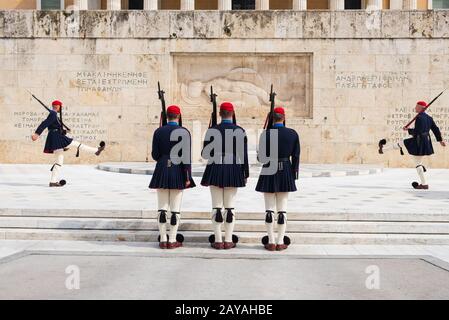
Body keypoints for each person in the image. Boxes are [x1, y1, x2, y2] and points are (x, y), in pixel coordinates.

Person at [201, 102, 249, 250]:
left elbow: (205, 154)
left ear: (220, 114)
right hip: (233, 168)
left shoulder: (212, 130)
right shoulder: (240, 131)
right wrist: (245, 172)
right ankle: (228, 240)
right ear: (233, 113)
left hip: (215, 167)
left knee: (216, 207)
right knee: (230, 208)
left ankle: (217, 240)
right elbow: (243, 155)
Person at [149, 105, 196, 249]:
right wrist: (187, 175)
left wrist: (164, 159)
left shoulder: (158, 131)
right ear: (179, 116)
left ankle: (163, 239)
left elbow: (155, 155)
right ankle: (172, 239)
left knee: (162, 208)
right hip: (178, 169)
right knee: (175, 210)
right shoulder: (184, 132)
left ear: (166, 116)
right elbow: (186, 157)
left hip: (162, 168)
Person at [31, 100, 105, 187]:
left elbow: (54, 127)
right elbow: (45, 123)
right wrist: (37, 134)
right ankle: (96, 150)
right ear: (58, 106)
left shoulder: (54, 114)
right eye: (60, 107)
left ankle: (53, 182)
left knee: (59, 162)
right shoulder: (53, 114)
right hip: (57, 138)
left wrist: (65, 131)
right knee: (77, 144)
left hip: (55, 137)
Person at [256, 107, 300, 251]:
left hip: (269, 169)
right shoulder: (292, 134)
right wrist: (294, 174)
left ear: (272, 118)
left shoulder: (266, 134)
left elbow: (261, 158)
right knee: (282, 210)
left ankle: (270, 241)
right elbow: (296, 156)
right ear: (284, 117)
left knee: (269, 210)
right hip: (286, 169)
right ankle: (280, 242)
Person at [379, 101, 446, 189]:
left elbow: (417, 132)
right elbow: (435, 129)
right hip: (425, 141)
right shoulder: (429, 118)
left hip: (418, 142)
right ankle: (383, 149)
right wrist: (440, 140)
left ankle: (424, 183)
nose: (415, 108)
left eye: (417, 106)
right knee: (403, 143)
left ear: (421, 108)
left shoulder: (419, 118)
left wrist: (408, 130)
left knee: (417, 161)